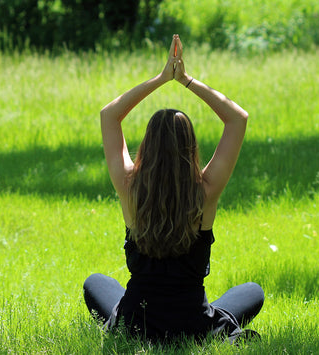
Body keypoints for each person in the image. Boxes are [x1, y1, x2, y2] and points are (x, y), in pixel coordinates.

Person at [83, 34, 264, 343]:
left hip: (136, 322)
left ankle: (128, 324)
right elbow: (237, 119)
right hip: (192, 322)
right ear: (190, 147)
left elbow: (109, 115)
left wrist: (161, 78)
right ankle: (223, 331)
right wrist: (185, 80)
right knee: (252, 292)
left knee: (95, 283)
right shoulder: (205, 191)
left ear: (147, 146)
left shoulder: (129, 187)